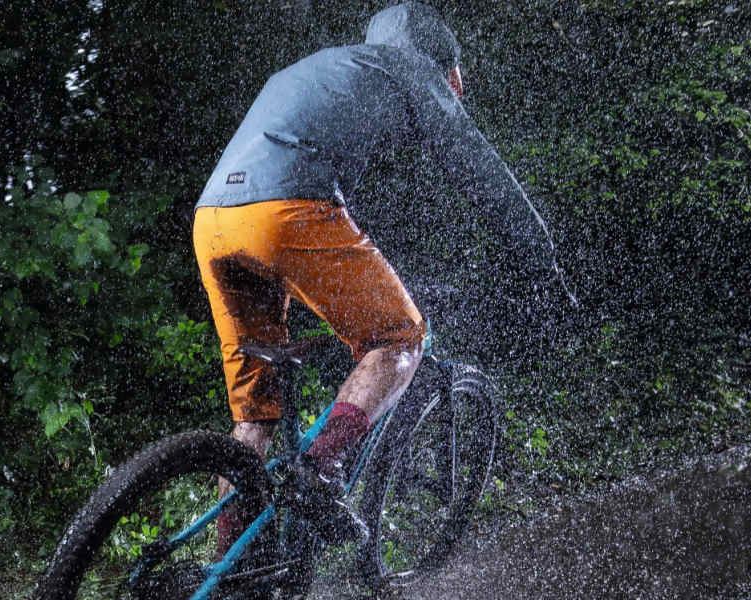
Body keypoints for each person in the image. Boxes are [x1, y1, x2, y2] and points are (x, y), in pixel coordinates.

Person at [193, 2, 562, 554]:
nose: (454, 94)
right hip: (286, 210)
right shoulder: (412, 69)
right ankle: (318, 472)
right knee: (398, 339)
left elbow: (332, 183)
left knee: (255, 416)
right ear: (439, 61)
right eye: (454, 82)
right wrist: (540, 255)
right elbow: (482, 170)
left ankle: (228, 567)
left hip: (215, 221)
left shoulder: (333, 67)